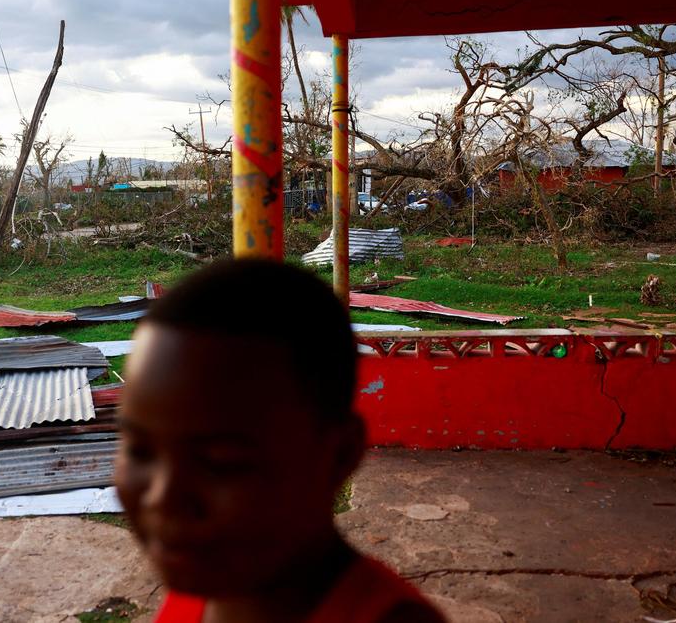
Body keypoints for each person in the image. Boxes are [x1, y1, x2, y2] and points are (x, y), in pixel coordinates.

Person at [116, 259, 446, 623]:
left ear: (340, 454)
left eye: (221, 462)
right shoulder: (199, 593)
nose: (162, 499)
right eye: (139, 450)